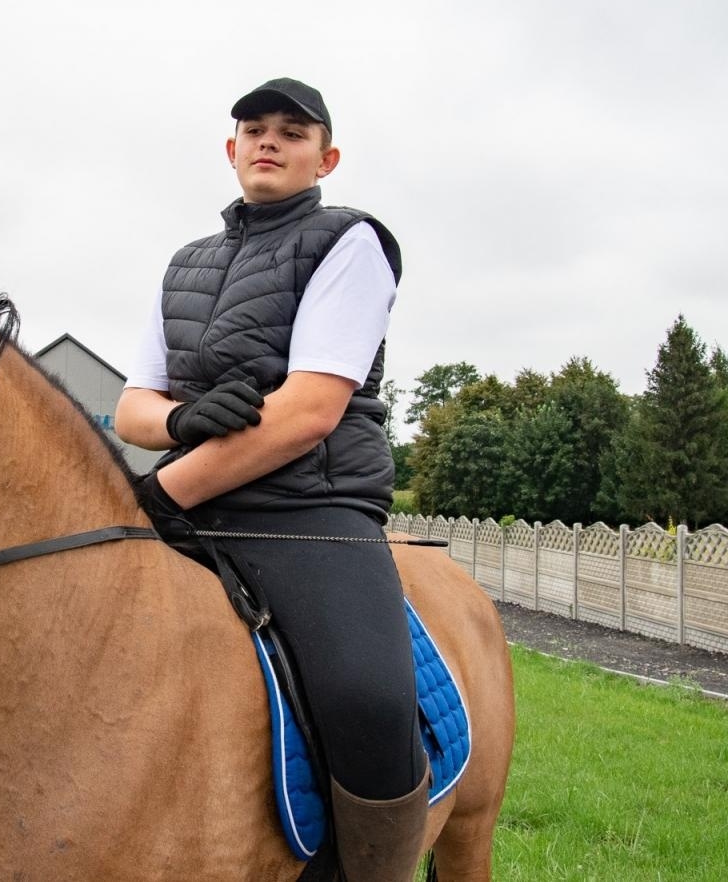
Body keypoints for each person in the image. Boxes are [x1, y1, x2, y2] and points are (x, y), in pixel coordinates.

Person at [116, 78, 427, 881]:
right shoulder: (185, 264)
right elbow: (132, 407)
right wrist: (180, 424)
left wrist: (161, 492)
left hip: (310, 510)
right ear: (231, 151)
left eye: (292, 132)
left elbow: (308, 412)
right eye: (254, 129)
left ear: (324, 157)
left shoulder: (350, 241)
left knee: (368, 699)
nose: (269, 141)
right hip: (189, 509)